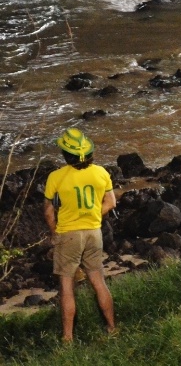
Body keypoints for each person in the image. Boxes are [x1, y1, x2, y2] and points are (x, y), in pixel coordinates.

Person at [43, 128, 117, 342]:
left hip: (68, 234)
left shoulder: (56, 176)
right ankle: (112, 328)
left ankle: (68, 338)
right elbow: (111, 202)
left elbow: (48, 211)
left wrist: (55, 233)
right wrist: (92, 215)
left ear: (66, 155)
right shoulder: (101, 172)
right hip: (94, 233)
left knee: (67, 286)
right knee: (98, 281)